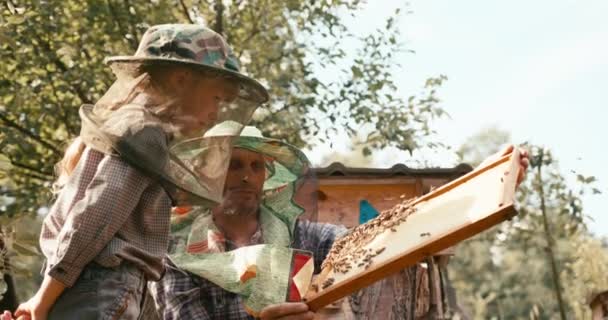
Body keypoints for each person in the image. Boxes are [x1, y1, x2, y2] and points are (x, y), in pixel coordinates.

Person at [2, 24, 268, 320]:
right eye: (217, 98)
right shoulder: (144, 131)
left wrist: (45, 298)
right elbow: (95, 215)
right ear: (181, 80)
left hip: (102, 284)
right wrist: (42, 299)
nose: (217, 113)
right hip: (99, 283)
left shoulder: (135, 129)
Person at [148, 127, 530, 320]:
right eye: (234, 165)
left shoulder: (304, 236)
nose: (247, 176)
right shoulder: (179, 257)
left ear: (268, 178)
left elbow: (378, 240)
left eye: (256, 166)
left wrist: (475, 186)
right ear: (210, 175)